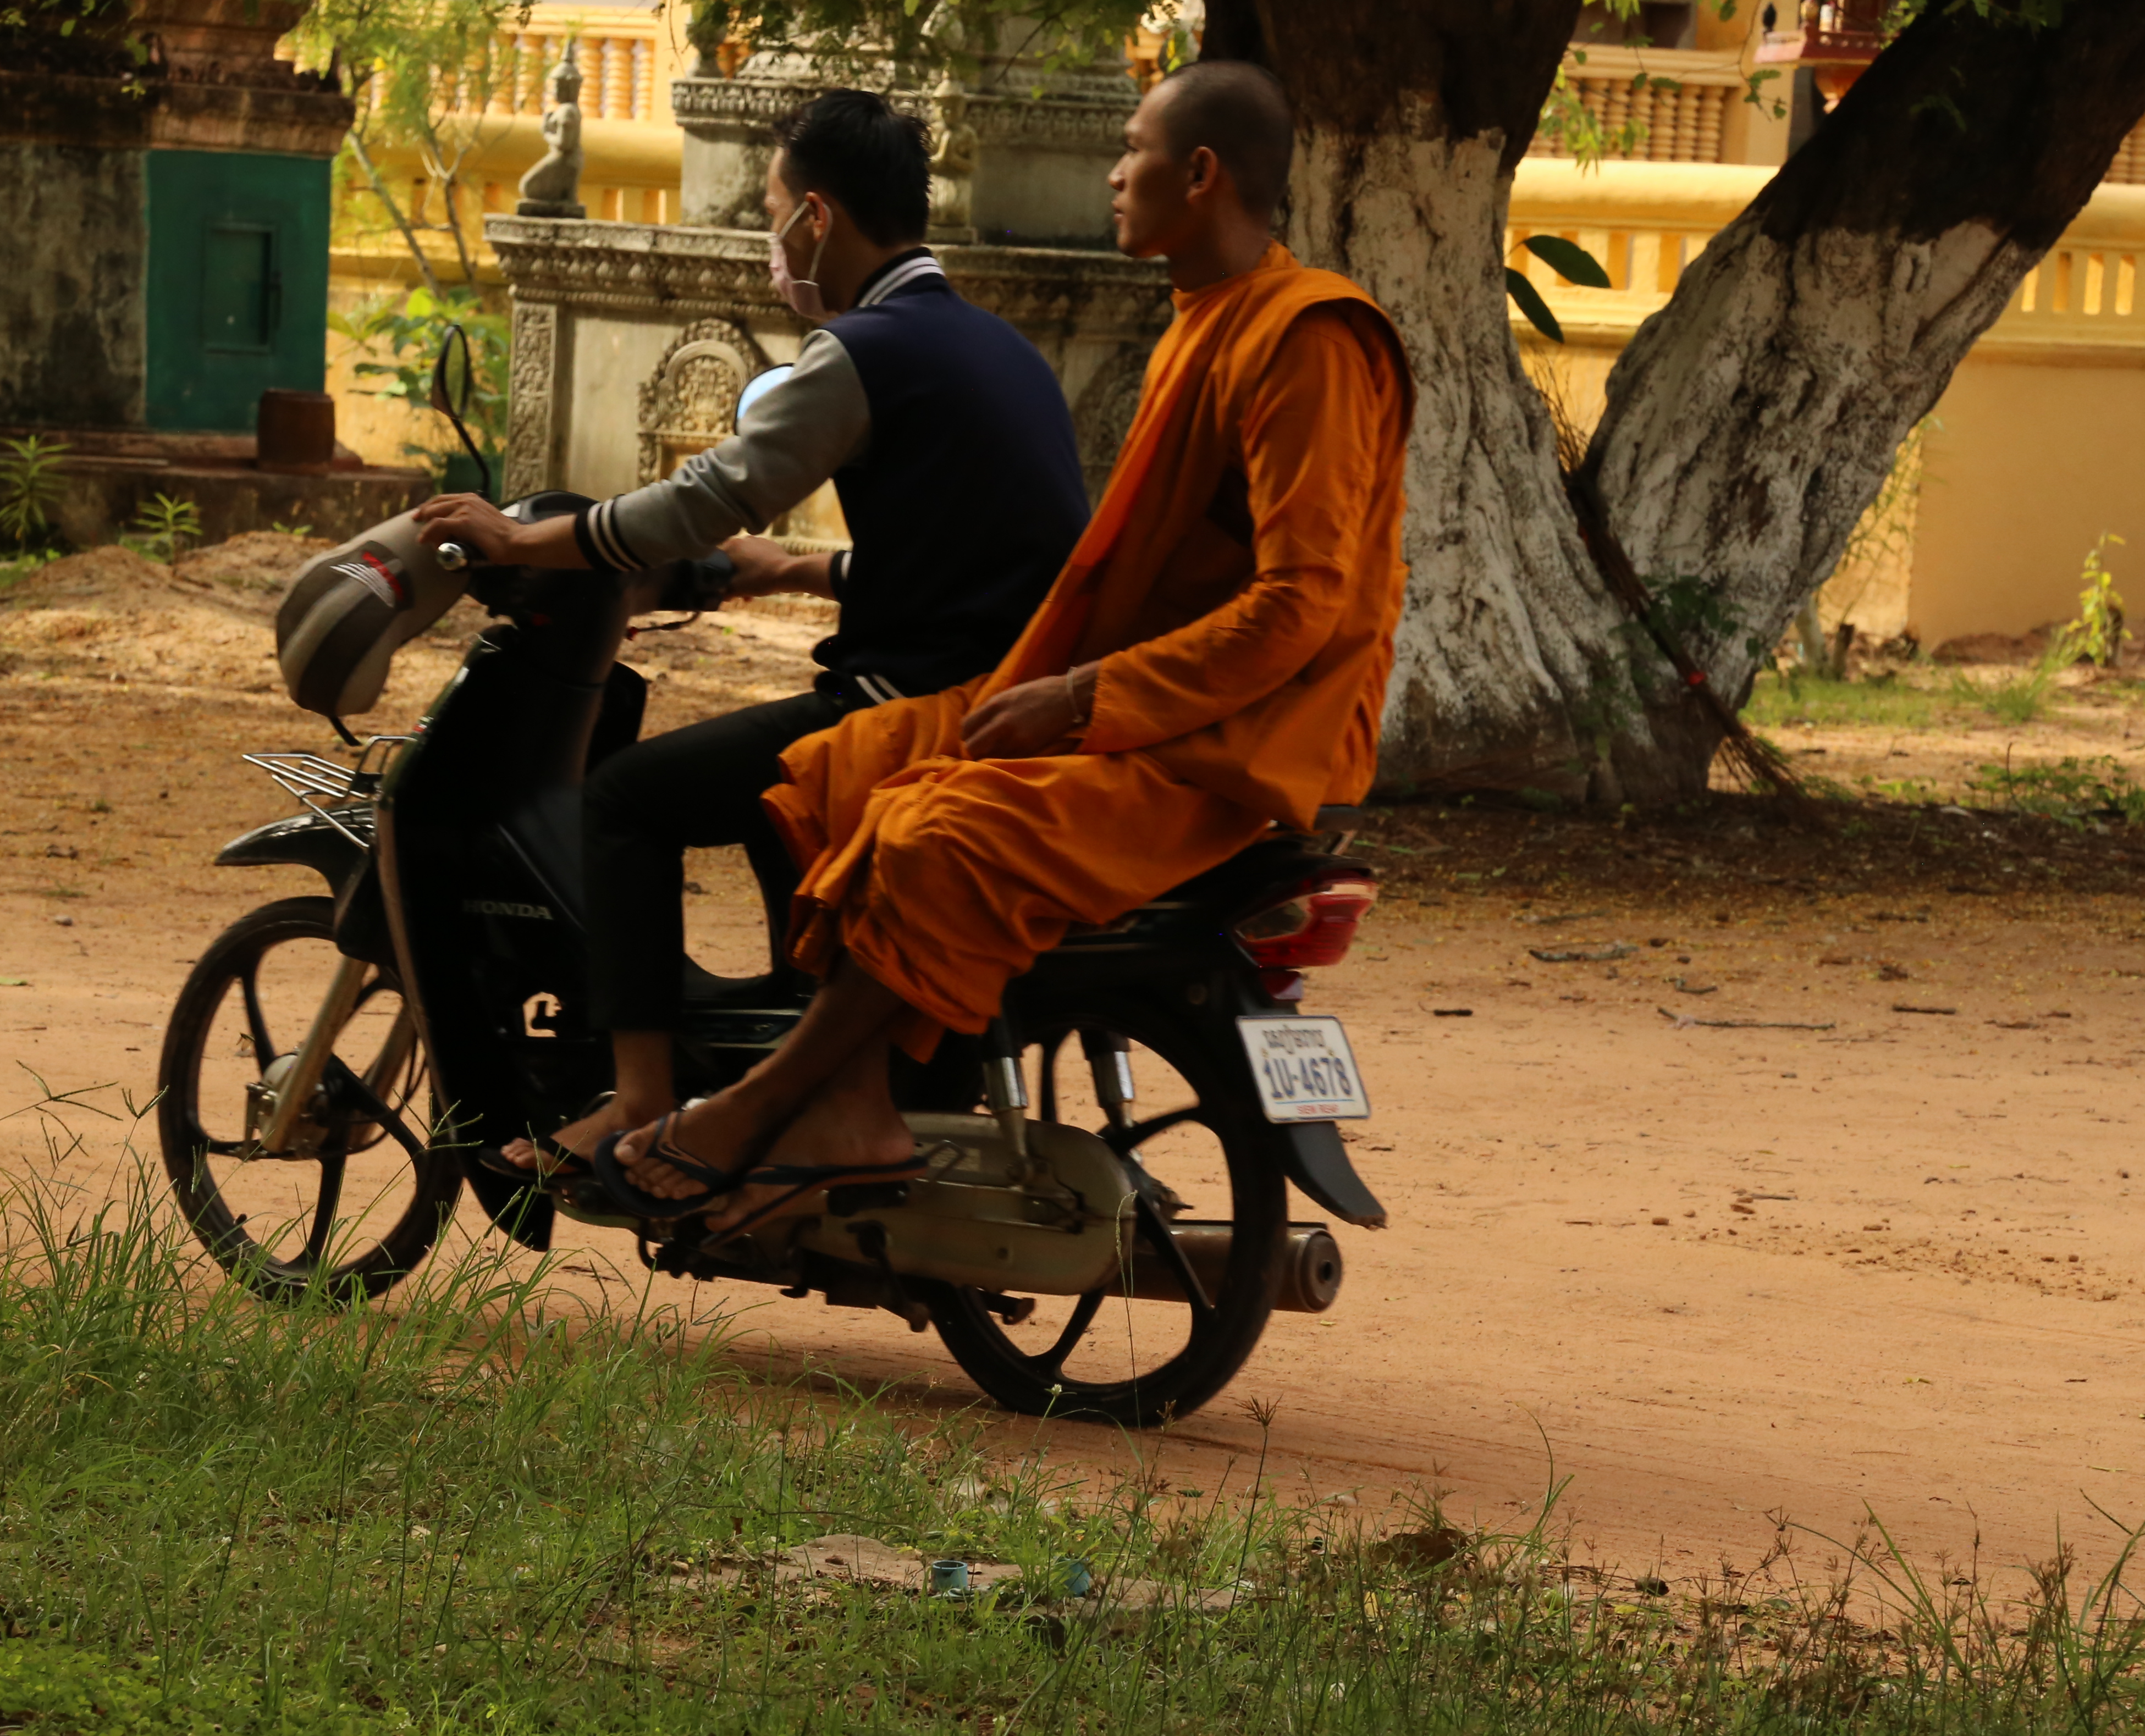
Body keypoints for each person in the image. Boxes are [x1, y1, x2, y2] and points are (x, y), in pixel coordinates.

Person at [598, 58, 1413, 1229]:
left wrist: (1078, 702)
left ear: (1199, 172)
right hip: (1150, 705)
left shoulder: (1308, 340)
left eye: (1131, 149)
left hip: (1229, 743)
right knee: (838, 768)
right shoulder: (1201, 326)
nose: (1112, 174)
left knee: (932, 828)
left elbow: (1302, 608)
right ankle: (862, 1099)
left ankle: (770, 1106)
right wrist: (831, 578)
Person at [410, 89, 1089, 1179]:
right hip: (1007, 694)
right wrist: (802, 570)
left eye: (773, 213)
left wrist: (526, 543)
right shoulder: (999, 351)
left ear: (814, 218)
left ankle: (634, 1102)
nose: (773, 244)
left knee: (625, 800)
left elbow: (701, 501)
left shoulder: (861, 350)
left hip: (912, 707)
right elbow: (982, 556)